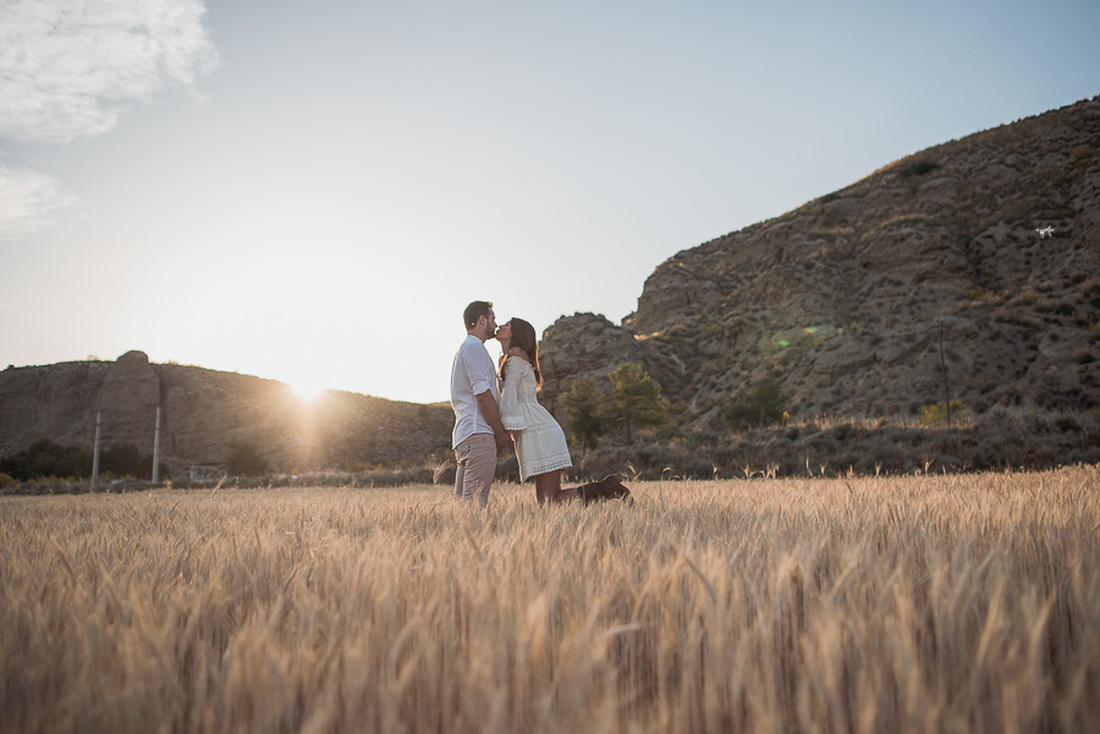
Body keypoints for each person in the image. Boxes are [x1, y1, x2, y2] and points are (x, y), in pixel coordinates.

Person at [496, 317, 631, 505]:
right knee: (550, 500)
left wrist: (501, 433)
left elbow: (509, 397)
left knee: (549, 501)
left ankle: (607, 488)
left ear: (518, 334)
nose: (501, 326)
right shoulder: (508, 359)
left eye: (508, 324)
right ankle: (607, 487)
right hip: (540, 430)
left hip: (540, 433)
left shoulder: (516, 356)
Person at [450, 301, 510, 507]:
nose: (495, 324)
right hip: (479, 436)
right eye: (492, 319)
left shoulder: (465, 349)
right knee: (474, 508)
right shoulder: (474, 349)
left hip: (466, 436)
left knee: (463, 509)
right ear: (482, 320)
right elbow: (483, 395)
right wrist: (500, 434)